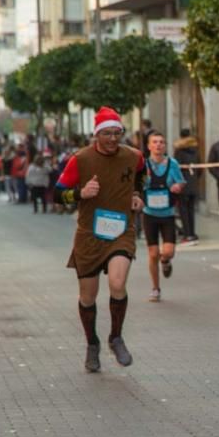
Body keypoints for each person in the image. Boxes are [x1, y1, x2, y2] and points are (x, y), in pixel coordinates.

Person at [54, 106, 145, 372]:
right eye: (107, 134)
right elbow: (57, 194)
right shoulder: (80, 159)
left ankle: (115, 337)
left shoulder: (133, 156)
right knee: (88, 296)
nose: (114, 139)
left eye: (118, 133)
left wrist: (139, 194)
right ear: (97, 135)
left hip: (121, 230)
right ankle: (92, 344)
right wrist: (80, 194)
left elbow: (142, 173)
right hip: (90, 235)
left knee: (118, 283)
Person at [142, 131, 186, 302]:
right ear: (149, 146)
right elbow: (136, 183)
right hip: (149, 214)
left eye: (161, 142)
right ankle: (155, 288)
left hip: (167, 214)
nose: (158, 145)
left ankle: (166, 261)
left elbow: (181, 181)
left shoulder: (172, 163)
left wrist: (177, 186)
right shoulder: (144, 165)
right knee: (153, 253)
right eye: (155, 142)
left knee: (168, 252)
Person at [173, 127, 201, 244]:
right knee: (191, 210)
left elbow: (175, 168)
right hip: (193, 184)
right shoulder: (196, 151)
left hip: (183, 185)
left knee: (183, 210)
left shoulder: (179, 151)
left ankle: (186, 233)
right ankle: (192, 233)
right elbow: (200, 169)